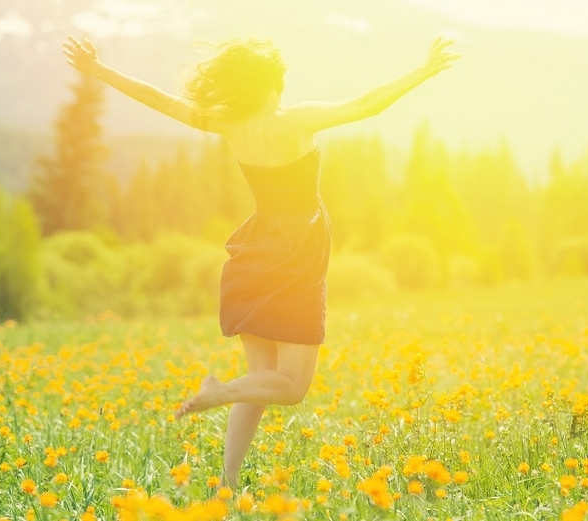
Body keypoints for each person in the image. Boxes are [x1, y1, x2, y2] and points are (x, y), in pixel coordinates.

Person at [63, 34, 459, 490]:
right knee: (290, 386)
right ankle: (221, 392)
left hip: (256, 247)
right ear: (273, 82)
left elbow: (159, 100)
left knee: (261, 378)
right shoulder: (295, 120)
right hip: (298, 247)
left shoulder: (229, 123)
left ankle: (228, 486)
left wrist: (98, 71)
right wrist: (424, 71)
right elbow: (368, 104)